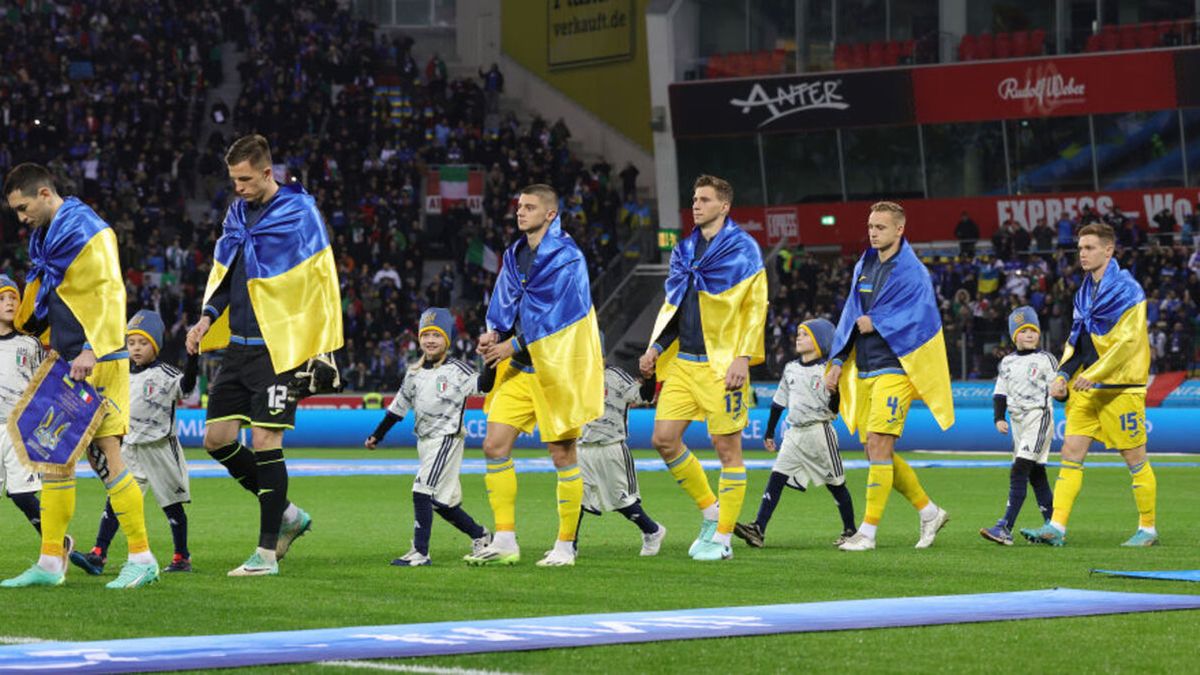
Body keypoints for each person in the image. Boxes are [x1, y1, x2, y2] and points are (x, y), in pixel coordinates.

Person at [185, 134, 344, 576]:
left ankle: (266, 553)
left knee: (265, 442)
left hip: (279, 352)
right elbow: (229, 271)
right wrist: (205, 318)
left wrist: (320, 345)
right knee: (216, 439)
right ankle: (289, 514)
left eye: (245, 179)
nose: (238, 187)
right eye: (234, 179)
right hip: (238, 348)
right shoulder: (238, 213)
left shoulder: (299, 213)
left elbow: (319, 282)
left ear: (267, 172)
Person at [2, 163, 159, 588]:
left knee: (108, 459)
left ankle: (143, 558)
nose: (21, 218)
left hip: (98, 360)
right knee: (54, 462)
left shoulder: (89, 230)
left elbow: (110, 292)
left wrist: (92, 348)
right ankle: (51, 562)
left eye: (23, 207)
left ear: (44, 194)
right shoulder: (46, 237)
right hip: (66, 361)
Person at [465, 184, 604, 568]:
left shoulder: (568, 257)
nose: (520, 213)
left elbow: (561, 316)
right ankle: (505, 539)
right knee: (494, 445)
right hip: (521, 369)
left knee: (562, 453)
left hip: (556, 368)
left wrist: (512, 345)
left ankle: (565, 545)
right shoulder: (513, 255)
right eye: (518, 206)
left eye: (529, 207)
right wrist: (493, 334)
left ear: (550, 214)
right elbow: (504, 303)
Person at [639, 174, 768, 561]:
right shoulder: (684, 250)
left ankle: (724, 537)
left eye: (705, 199)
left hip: (721, 365)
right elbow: (676, 308)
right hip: (683, 363)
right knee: (663, 439)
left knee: (727, 449)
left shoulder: (744, 250)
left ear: (724, 206)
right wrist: (656, 347)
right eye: (694, 199)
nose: (696, 205)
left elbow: (755, 307)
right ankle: (712, 510)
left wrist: (743, 357)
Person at [826, 201, 954, 552]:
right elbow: (851, 313)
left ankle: (867, 532)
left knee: (880, 444)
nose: (872, 232)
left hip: (896, 368)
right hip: (865, 367)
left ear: (900, 229)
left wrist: (878, 322)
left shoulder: (913, 272)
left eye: (880, 227)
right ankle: (929, 511)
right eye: (870, 226)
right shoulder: (863, 265)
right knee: (872, 448)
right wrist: (837, 360)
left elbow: (921, 318)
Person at [1021, 223, 1157, 547]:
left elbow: (1128, 343)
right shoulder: (1083, 291)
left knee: (1135, 458)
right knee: (1070, 452)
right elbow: (1078, 340)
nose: (1082, 253)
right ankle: (1056, 527)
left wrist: (1095, 373)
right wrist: (1062, 375)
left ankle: (1148, 529)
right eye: (1080, 248)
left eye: (1090, 248)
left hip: (1119, 388)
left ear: (1108, 250)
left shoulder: (1129, 290)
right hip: (1087, 388)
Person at [71, 310, 199, 574]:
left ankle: (181, 557)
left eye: (143, 343)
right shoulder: (122, 374)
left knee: (171, 505)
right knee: (116, 499)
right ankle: (98, 554)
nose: (136, 348)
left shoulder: (165, 372)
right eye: (131, 343)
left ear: (155, 345)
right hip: (130, 448)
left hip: (160, 448)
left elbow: (186, 387)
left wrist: (193, 359)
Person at [364, 308, 494, 567]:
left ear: (447, 339)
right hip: (425, 441)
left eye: (437, 335)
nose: (430, 340)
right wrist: (377, 435)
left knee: (421, 490)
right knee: (440, 502)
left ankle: (420, 552)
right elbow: (397, 408)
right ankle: (481, 536)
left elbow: (485, 386)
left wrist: (492, 359)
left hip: (447, 437)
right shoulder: (414, 372)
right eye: (426, 335)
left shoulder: (458, 369)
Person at [733, 319, 857, 549]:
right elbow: (778, 403)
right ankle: (758, 528)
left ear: (820, 341)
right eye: (798, 333)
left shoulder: (827, 371)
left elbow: (834, 409)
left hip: (819, 433)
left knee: (836, 484)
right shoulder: (791, 368)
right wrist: (769, 432)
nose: (798, 337)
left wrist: (836, 394)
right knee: (776, 477)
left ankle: (851, 530)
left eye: (805, 334)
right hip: (794, 433)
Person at [576, 349, 666, 556]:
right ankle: (568, 544)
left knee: (621, 500)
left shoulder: (615, 376)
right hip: (580, 448)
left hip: (611, 447)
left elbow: (645, 396)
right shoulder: (573, 377)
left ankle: (652, 530)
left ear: (602, 357)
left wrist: (649, 377)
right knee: (574, 497)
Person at [979, 307, 1056, 545]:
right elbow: (999, 394)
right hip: (1018, 422)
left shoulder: (1046, 359)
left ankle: (1005, 526)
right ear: (1015, 336)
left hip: (1038, 418)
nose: (1030, 335)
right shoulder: (1007, 362)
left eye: (1033, 330)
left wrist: (1064, 395)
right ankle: (1053, 526)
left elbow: (1059, 389)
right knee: (1036, 474)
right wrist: (999, 418)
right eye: (1024, 331)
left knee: (1019, 470)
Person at [0, 275, 50, 538]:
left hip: (18, 429)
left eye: (13, 298)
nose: (9, 303)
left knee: (21, 494)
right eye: (2, 299)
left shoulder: (30, 344)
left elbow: (41, 384)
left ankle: (56, 543)